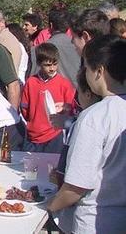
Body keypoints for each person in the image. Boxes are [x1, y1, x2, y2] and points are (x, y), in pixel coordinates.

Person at [48, 35, 126, 234]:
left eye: (86, 68)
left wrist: (49, 207)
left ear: (99, 71)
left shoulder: (94, 116)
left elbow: (76, 186)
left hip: (95, 219)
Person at [21, 43, 75, 153]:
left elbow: (70, 108)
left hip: (54, 135)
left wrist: (64, 110)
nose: (52, 68)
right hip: (33, 135)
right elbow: (24, 108)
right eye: (47, 65)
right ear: (39, 64)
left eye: (55, 64)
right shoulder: (31, 82)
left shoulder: (64, 84)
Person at [53, 67, 102, 188]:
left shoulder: (84, 123)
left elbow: (73, 175)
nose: (76, 99)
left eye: (78, 93)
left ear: (88, 95)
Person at [31, 10, 80, 88]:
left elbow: (34, 80)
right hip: (79, 95)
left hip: (53, 96)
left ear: (51, 25)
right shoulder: (79, 47)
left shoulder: (38, 50)